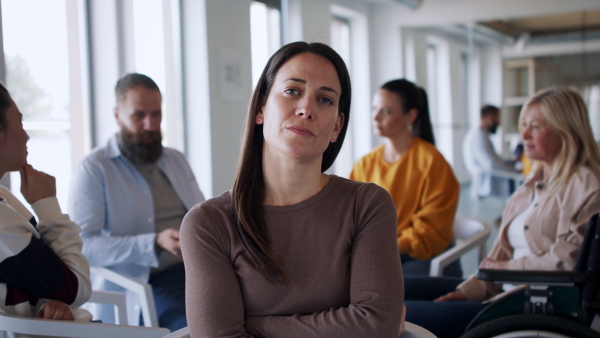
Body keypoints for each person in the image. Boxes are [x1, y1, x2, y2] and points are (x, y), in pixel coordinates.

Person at [181, 42, 404, 337]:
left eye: (325, 99)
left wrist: (254, 325)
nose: (306, 109)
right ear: (261, 108)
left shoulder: (367, 204)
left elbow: (377, 323)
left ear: (337, 127)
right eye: (292, 91)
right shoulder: (208, 224)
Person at [404, 87, 600, 338]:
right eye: (524, 125)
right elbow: (501, 253)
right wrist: (470, 291)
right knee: (396, 288)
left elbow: (565, 263)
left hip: (531, 302)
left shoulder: (586, 187)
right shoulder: (532, 183)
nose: (524, 134)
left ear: (566, 131)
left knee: (401, 314)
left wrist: (501, 269)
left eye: (536, 127)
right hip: (502, 288)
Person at [70, 73, 204, 330]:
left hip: (198, 270)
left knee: (258, 309)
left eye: (156, 114)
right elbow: (84, 247)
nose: (150, 125)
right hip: (151, 282)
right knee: (199, 327)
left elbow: (201, 213)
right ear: (117, 115)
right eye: (139, 116)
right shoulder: (94, 169)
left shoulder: (175, 159)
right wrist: (153, 243)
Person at [0, 83, 92, 322]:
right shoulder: (2, 223)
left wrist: (49, 300)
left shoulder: (5, 198)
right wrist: (48, 207)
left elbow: (40, 273)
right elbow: (76, 287)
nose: (26, 135)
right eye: (19, 122)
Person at [349, 79, 460, 276]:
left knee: (377, 287)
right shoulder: (365, 164)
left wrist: (386, 251)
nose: (375, 117)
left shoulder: (431, 161)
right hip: (379, 253)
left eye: (386, 111)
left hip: (420, 256)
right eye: (374, 108)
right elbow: (351, 216)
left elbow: (431, 229)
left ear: (410, 116)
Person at [464, 104, 521, 197]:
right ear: (490, 118)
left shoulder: (479, 134)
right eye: (498, 118)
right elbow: (492, 164)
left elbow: (494, 161)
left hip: (491, 174)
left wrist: (512, 162)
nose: (499, 123)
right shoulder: (480, 137)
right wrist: (515, 170)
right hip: (490, 180)